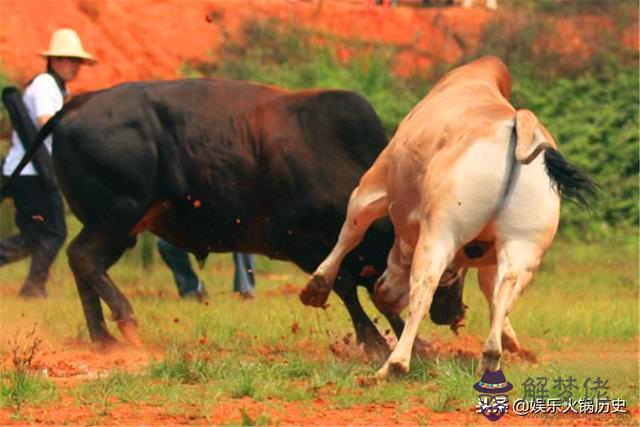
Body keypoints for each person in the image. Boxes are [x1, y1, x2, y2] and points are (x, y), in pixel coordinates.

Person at [0, 28, 94, 298]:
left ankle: (33, 287)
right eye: (69, 59)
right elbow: (45, 120)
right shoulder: (44, 84)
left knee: (33, 236)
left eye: (77, 61)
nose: (75, 65)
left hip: (33, 171)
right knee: (53, 232)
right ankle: (33, 288)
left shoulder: (55, 86)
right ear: (54, 60)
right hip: (31, 172)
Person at [156, 238, 256, 299]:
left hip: (227, 220)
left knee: (245, 231)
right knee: (165, 243)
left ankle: (244, 290)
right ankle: (192, 289)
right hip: (195, 221)